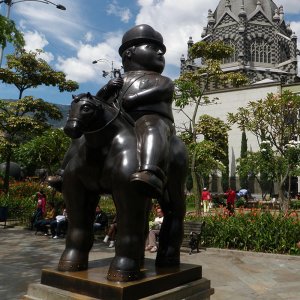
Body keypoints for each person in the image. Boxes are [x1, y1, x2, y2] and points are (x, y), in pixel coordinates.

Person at [96, 24, 175, 198]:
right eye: (153, 48)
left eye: (162, 50)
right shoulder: (118, 80)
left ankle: (150, 171)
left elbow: (163, 90)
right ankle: (66, 170)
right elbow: (98, 103)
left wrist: (136, 98)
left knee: (151, 125)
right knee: (87, 126)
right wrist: (106, 90)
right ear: (129, 53)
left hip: (152, 120)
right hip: (119, 123)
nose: (161, 53)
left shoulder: (161, 79)